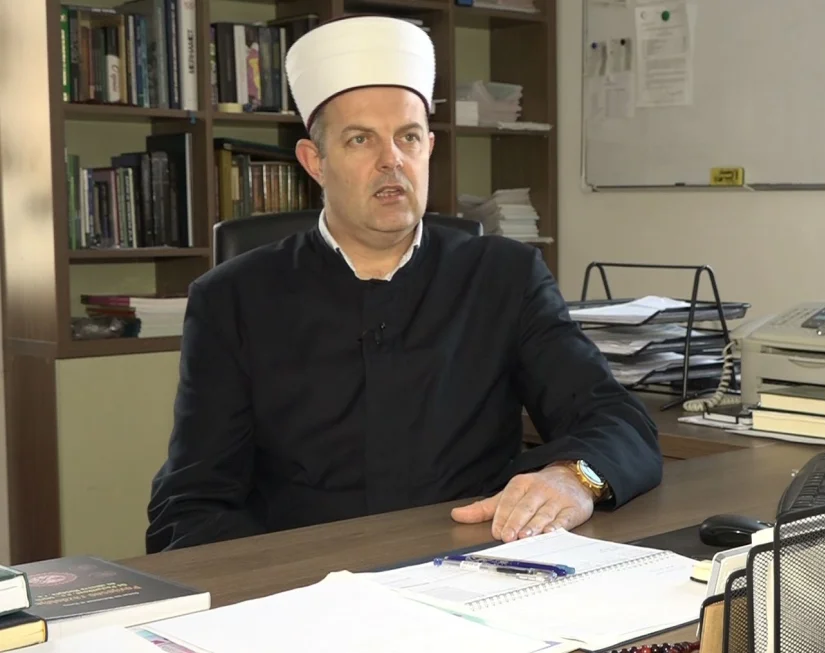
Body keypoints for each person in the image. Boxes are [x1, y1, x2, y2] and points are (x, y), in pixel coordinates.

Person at [145, 16, 662, 553]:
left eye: (408, 137)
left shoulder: (504, 276)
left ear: (429, 148)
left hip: (477, 567)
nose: (391, 160)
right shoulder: (233, 298)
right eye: (360, 139)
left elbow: (616, 419)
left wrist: (575, 477)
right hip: (306, 580)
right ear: (314, 161)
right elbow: (191, 503)